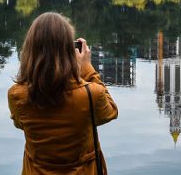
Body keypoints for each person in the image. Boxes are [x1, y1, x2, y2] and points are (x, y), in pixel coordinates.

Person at [8, 12, 118, 174]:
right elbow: (110, 112)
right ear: (69, 50)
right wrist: (86, 68)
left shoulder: (17, 95)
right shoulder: (90, 94)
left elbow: (19, 124)